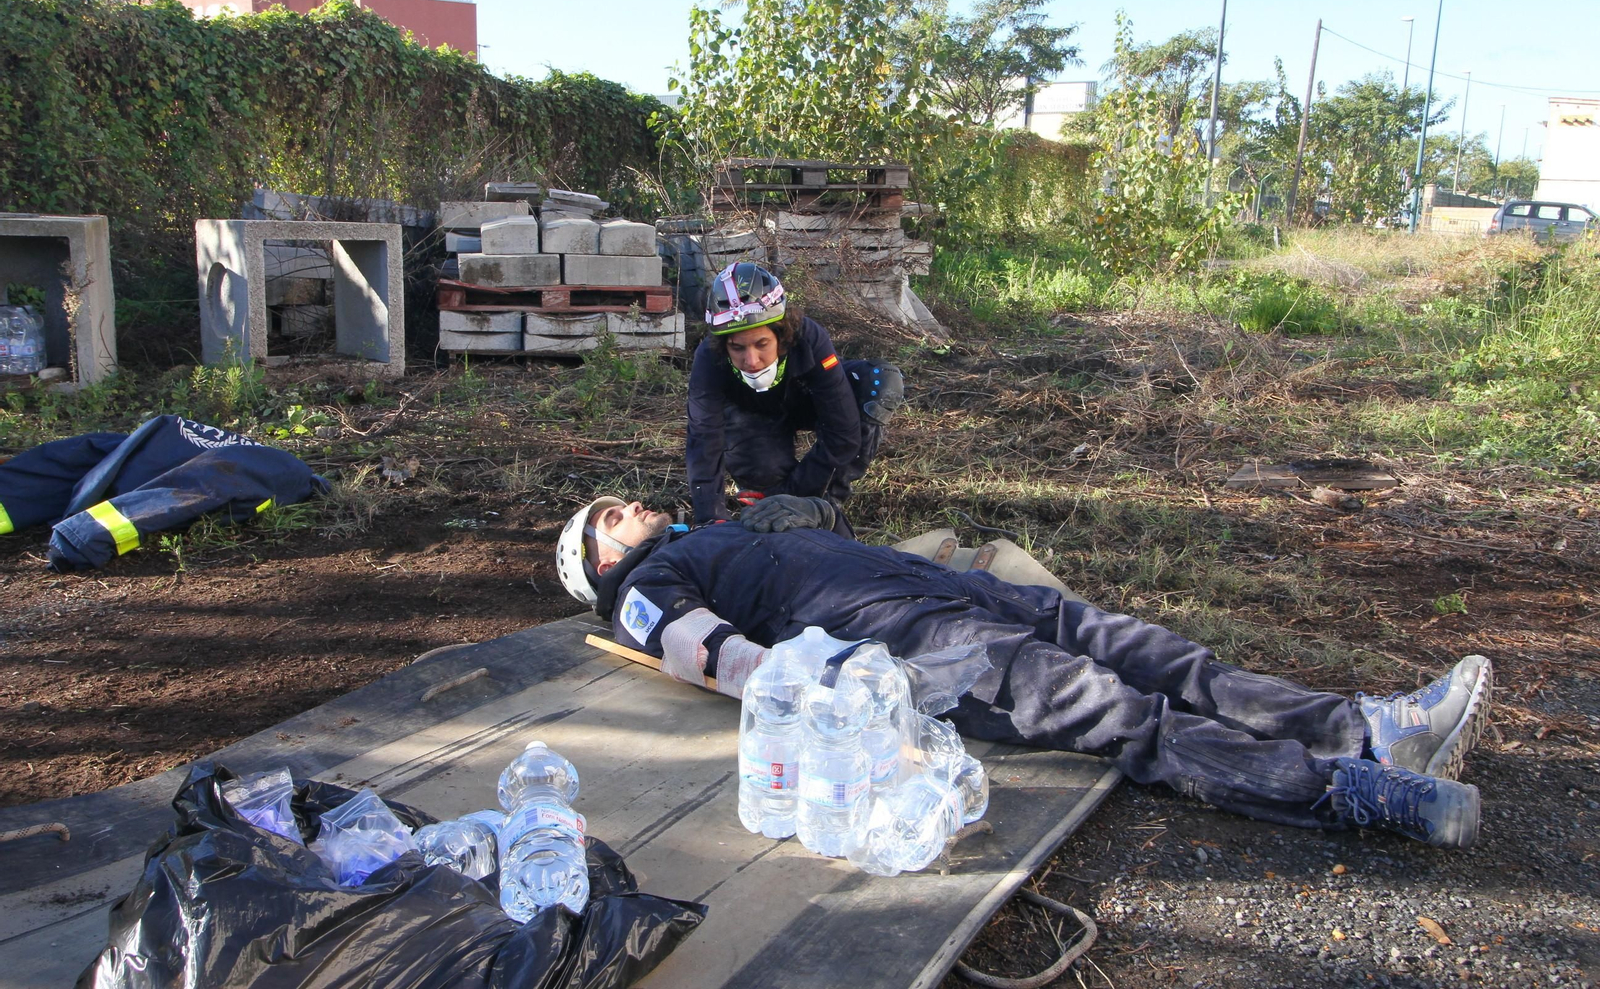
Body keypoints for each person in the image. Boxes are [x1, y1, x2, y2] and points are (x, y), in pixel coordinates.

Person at [555, 494, 1495, 850]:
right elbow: (704, 652)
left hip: (949, 592)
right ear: (600, 563)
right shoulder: (646, 584)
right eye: (608, 517)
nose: (628, 507)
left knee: (1163, 655)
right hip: (920, 650)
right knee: (1127, 715)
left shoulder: (706, 530)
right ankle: (1353, 794)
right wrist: (824, 682)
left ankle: (1368, 724)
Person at [686, 261, 903, 528]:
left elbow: (843, 430)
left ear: (782, 334)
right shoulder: (708, 358)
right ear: (723, 345)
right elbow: (703, 439)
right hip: (751, 415)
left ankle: (826, 501)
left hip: (805, 400)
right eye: (737, 348)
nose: (751, 360)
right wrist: (710, 517)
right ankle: (770, 496)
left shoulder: (810, 338)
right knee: (765, 475)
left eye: (762, 344)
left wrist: (803, 497)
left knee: (880, 382)